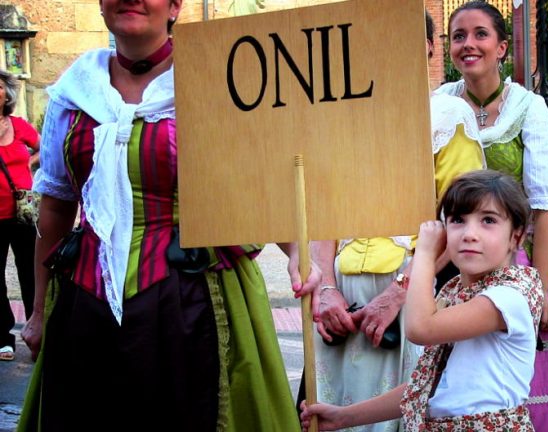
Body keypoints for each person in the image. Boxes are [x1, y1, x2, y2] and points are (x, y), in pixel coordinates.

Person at [17, 1, 320, 430]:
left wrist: (297, 253)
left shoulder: (218, 76)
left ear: (176, 6)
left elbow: (260, 182)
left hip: (196, 295)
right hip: (86, 302)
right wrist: (38, 313)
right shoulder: (76, 90)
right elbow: (56, 205)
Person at [308, 11, 486, 432]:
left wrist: (399, 293)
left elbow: (459, 219)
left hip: (416, 290)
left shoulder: (447, 115)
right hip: (344, 299)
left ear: (427, 48)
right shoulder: (339, 117)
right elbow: (320, 210)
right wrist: (327, 289)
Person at [302, 170, 544, 431]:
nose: (470, 234)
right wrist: (343, 417)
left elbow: (420, 329)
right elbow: (425, 385)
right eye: (458, 220)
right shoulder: (456, 292)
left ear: (516, 237)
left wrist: (426, 254)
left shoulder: (509, 295)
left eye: (488, 220)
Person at [433, 2, 548, 430]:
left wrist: (542, 293)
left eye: (479, 34)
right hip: (447, 259)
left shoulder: (529, 108)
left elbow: (544, 208)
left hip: (512, 267)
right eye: (458, 36)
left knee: (504, 384)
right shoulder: (437, 103)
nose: (468, 44)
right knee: (445, 378)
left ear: (502, 47)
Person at [0, 69, 39, 362]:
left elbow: (44, 148)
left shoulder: (19, 125)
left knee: (30, 273)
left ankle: (35, 332)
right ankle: (4, 339)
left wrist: (28, 163)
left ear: (7, 94)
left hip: (22, 213)